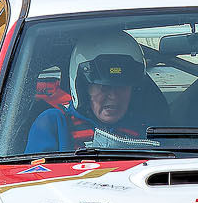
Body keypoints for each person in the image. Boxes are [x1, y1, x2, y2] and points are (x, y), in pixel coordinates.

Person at [22, 34, 159, 154]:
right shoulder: (53, 124)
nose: (113, 96)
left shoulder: (149, 130)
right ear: (83, 89)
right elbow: (34, 173)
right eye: (104, 87)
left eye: (121, 87)